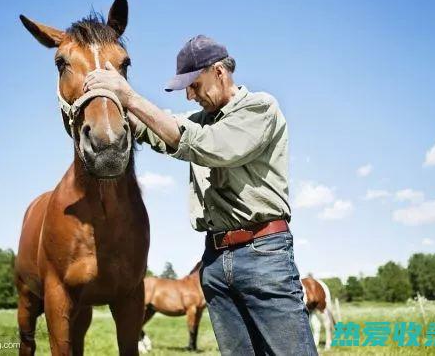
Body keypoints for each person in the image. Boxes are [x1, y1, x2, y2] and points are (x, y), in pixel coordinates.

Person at [84, 35, 318, 355]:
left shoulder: (260, 108)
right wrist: (105, 98)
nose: (190, 96)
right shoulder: (201, 120)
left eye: (194, 85)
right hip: (215, 261)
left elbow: (209, 146)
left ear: (219, 72)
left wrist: (132, 97)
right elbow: (155, 129)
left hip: (264, 255)